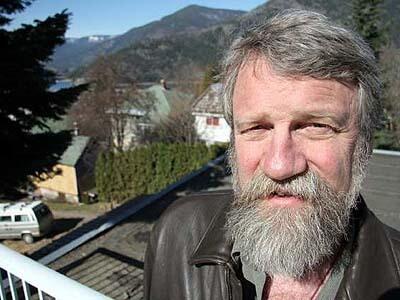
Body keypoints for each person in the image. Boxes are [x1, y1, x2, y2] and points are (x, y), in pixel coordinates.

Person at [144, 9, 400, 300]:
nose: (279, 165)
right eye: (257, 127)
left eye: (315, 126)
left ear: (362, 146)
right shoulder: (176, 234)